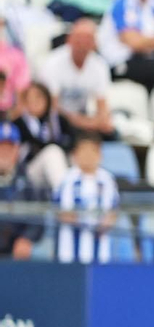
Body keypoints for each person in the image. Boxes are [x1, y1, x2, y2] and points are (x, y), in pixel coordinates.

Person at [39, 17, 112, 138]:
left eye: (88, 40)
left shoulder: (100, 65)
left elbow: (102, 106)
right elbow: (52, 107)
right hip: (59, 120)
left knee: (110, 131)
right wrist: (83, 122)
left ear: (95, 44)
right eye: (79, 40)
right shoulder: (53, 63)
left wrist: (99, 121)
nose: (83, 45)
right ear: (69, 40)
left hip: (83, 118)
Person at [54, 130, 116, 262]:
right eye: (84, 151)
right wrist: (87, 222)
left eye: (92, 151)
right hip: (69, 252)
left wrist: (103, 223)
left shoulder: (107, 180)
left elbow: (113, 212)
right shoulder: (67, 179)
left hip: (101, 252)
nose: (88, 156)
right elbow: (61, 212)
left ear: (100, 154)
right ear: (75, 155)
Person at [0, 122, 43, 260]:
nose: (4, 153)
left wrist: (26, 238)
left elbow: (38, 216)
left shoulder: (27, 179)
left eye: (9, 148)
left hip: (15, 247)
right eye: (1, 148)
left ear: (17, 150)